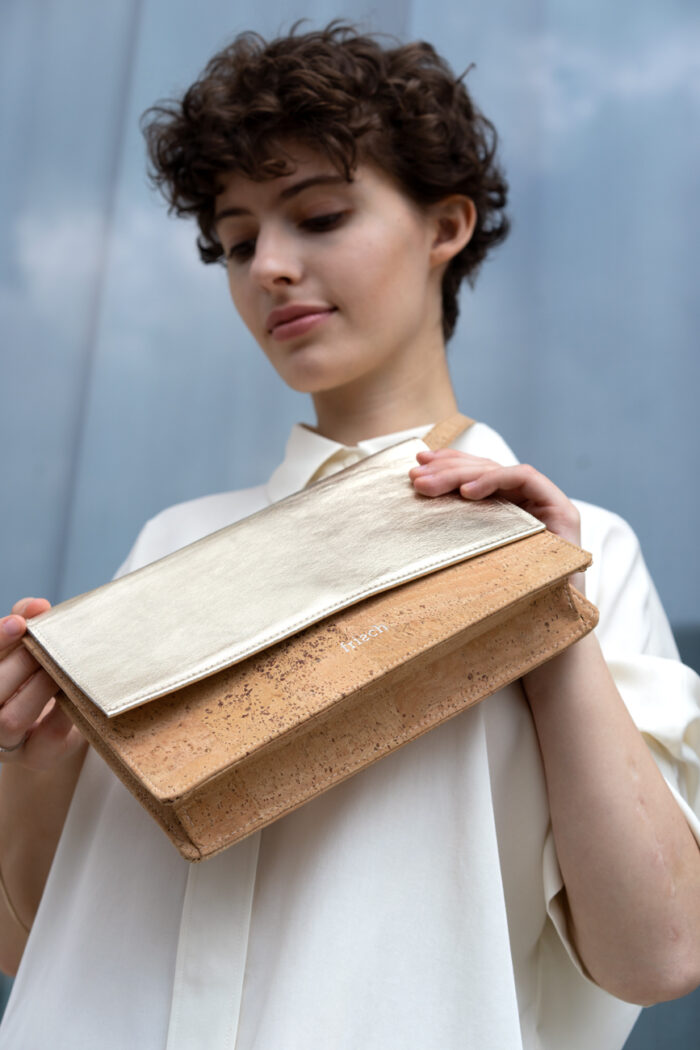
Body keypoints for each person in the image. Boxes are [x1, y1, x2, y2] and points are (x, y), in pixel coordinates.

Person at [0, 22, 699, 1050]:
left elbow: (661, 955)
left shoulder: (576, 546)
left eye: (318, 215)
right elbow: (33, 947)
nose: (269, 267)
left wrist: (538, 612)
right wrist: (32, 755)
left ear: (444, 226)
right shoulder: (172, 547)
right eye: (236, 241)